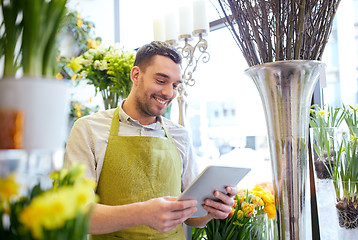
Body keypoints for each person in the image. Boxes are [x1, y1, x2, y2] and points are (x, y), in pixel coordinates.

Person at [65, 41, 236, 239]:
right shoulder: (89, 129)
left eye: (175, 85)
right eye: (161, 81)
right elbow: (77, 214)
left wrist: (212, 210)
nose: (168, 93)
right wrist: (142, 213)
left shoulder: (180, 135)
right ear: (136, 75)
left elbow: (193, 217)